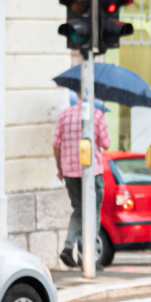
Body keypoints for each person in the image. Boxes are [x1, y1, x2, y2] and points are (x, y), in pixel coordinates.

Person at [53, 93, 111, 268]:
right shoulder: (97, 114)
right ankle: (89, 256)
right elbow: (106, 144)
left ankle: (68, 247)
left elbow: (56, 145)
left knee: (79, 210)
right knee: (92, 211)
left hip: (70, 172)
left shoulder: (64, 115)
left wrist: (60, 168)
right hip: (91, 172)